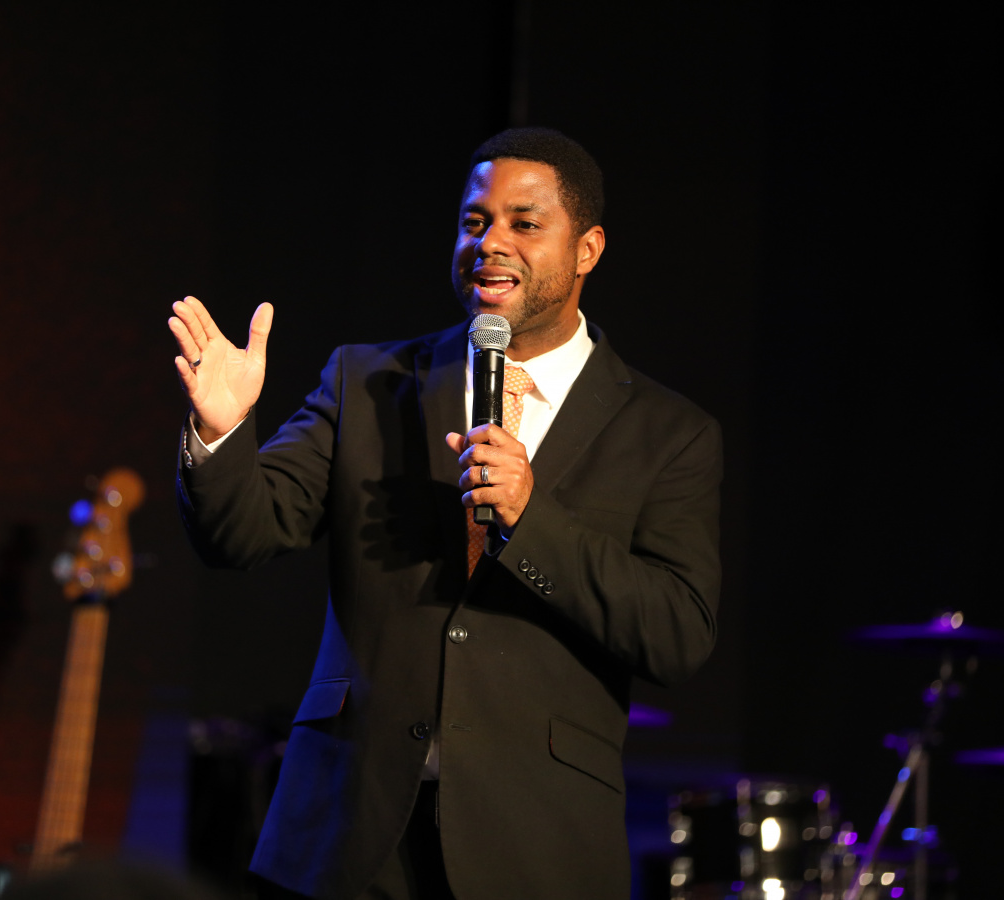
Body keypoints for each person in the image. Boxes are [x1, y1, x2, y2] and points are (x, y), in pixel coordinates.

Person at [168, 128, 721, 900]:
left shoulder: (666, 432)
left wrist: (531, 519)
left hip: (534, 846)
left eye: (524, 223)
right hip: (348, 834)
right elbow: (241, 535)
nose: (491, 243)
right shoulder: (368, 380)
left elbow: (676, 634)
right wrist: (223, 433)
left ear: (587, 249)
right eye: (474, 222)